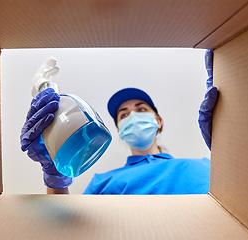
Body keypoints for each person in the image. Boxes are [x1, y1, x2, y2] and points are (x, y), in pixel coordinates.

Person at [20, 50, 218, 195]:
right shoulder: (102, 183)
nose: (133, 116)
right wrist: (55, 178)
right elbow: (64, 230)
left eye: (141, 109)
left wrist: (224, 145)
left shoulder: (206, 167)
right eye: (124, 115)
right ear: (119, 130)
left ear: (158, 121)